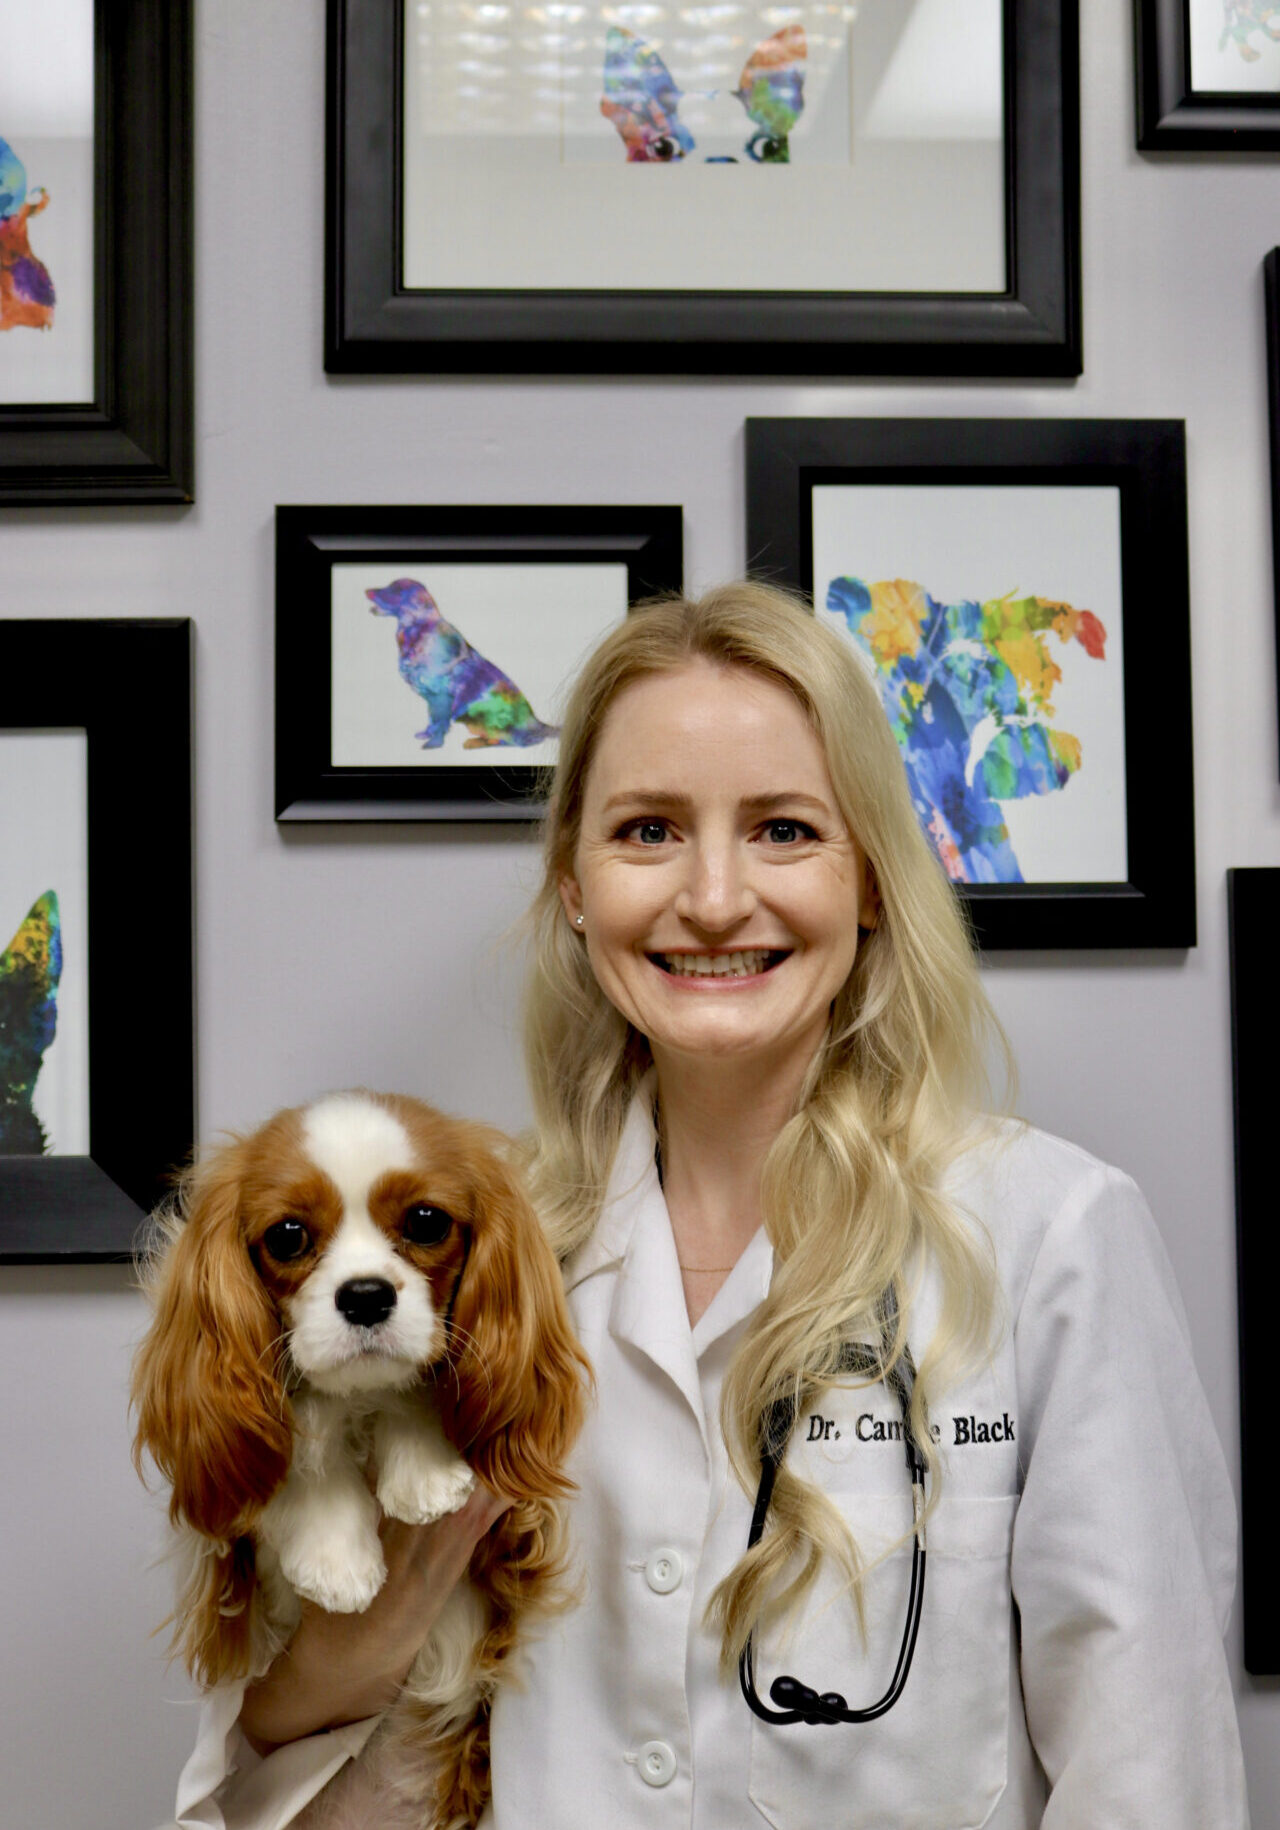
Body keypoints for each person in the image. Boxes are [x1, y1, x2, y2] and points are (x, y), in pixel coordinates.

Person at [168, 581, 1249, 1828]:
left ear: (873, 881)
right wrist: (341, 1672)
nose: (715, 897)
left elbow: (1152, 1774)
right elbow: (297, 1788)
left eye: (784, 829)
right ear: (573, 884)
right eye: (646, 831)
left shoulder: (1049, 1233)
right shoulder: (473, 1256)